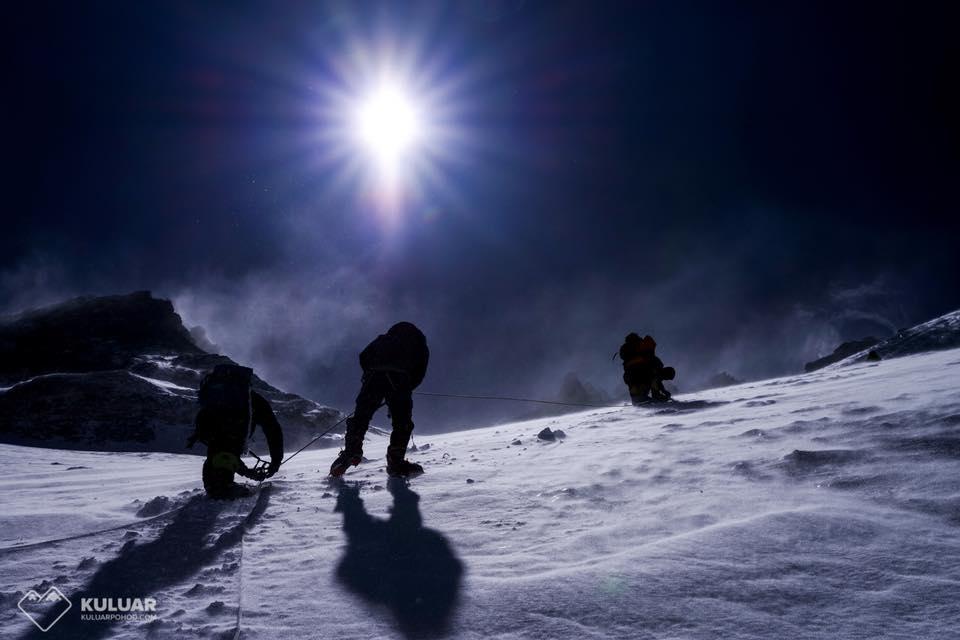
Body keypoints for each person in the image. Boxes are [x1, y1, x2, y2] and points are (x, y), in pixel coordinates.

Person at [330, 322, 429, 478]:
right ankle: (395, 462)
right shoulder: (418, 343)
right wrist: (407, 387)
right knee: (402, 421)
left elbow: (364, 356)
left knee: (361, 417)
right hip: (399, 379)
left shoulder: (383, 339)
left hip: (373, 377)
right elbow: (420, 369)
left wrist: (371, 374)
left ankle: (351, 452)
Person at [188, 363, 284, 498]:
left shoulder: (215, 394)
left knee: (218, 452)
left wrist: (247, 472)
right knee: (228, 452)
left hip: (213, 436)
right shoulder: (251, 399)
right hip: (233, 439)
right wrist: (276, 460)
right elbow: (272, 429)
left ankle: (214, 486)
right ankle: (223, 488)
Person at [618, 333, 675, 405]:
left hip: (632, 382)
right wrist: (662, 391)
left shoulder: (629, 359)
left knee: (639, 387)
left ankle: (638, 398)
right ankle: (653, 395)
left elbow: (629, 377)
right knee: (654, 375)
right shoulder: (649, 358)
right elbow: (656, 376)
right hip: (643, 378)